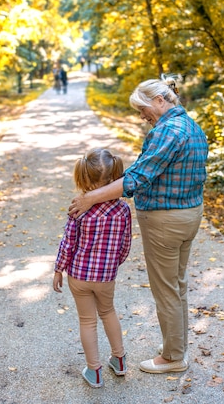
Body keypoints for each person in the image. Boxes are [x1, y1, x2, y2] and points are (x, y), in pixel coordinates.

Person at [68, 74, 208, 374]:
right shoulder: (191, 126)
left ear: (160, 100)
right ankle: (176, 344)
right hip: (190, 213)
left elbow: (136, 178)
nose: (141, 116)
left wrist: (90, 198)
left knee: (167, 290)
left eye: (142, 109)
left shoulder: (168, 131)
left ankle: (172, 358)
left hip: (165, 220)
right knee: (178, 285)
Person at [53, 148, 132, 388]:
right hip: (105, 276)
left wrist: (59, 268)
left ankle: (94, 371)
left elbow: (68, 243)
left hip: (79, 275)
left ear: (84, 179)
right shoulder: (123, 210)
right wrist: (112, 264)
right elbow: (125, 244)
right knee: (108, 312)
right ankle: (119, 361)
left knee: (87, 321)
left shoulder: (79, 208)